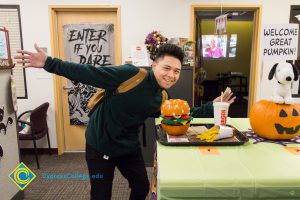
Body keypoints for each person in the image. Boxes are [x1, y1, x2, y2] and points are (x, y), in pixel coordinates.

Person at [14, 43, 235, 200]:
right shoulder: (131, 75)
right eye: (167, 68)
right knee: (101, 194)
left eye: (176, 71)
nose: (172, 75)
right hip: (99, 146)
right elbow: (89, 73)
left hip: (128, 147)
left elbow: (180, 116)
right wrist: (49, 63)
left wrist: (212, 106)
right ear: (154, 65)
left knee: (141, 187)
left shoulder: (161, 98)